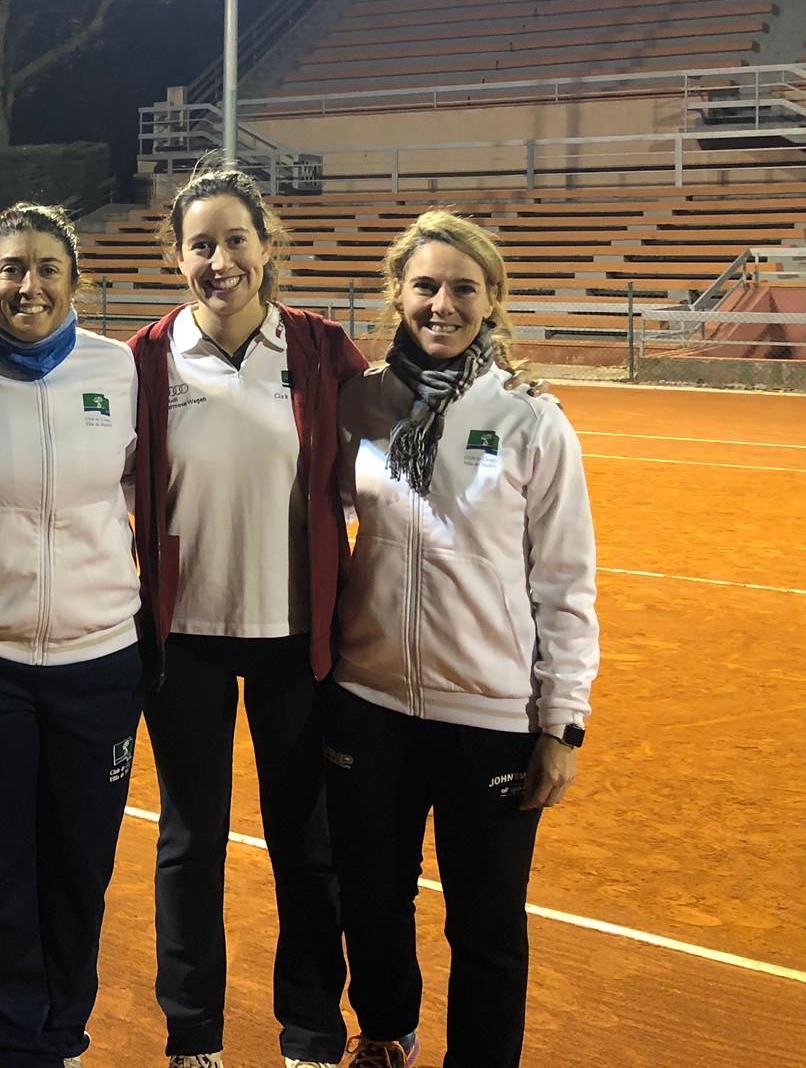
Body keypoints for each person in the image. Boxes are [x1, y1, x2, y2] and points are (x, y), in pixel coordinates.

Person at [325, 210, 599, 1068]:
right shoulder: (361, 401)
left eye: (462, 289)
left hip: (488, 710)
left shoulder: (531, 419)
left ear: (492, 300)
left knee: (485, 921)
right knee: (370, 898)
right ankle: (385, 1033)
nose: (442, 305)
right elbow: (319, 521)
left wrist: (561, 724)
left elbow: (565, 582)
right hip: (369, 699)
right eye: (426, 286)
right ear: (397, 295)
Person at [127, 167, 366, 1068]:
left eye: (235, 241)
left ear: (269, 248)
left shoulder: (320, 349)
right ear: (177, 256)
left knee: (307, 846)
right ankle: (193, 1035)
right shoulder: (146, 359)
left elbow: (399, 427)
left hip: (296, 641)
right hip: (183, 643)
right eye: (200, 245)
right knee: (191, 843)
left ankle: (310, 1034)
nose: (219, 261)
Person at [0, 203, 146, 1068]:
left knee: (81, 866)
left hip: (99, 660)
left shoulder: (118, 369)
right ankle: (19, 1039)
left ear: (75, 281)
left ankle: (66, 1035)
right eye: (11, 267)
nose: (28, 285)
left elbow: (147, 492)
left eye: (48, 267)